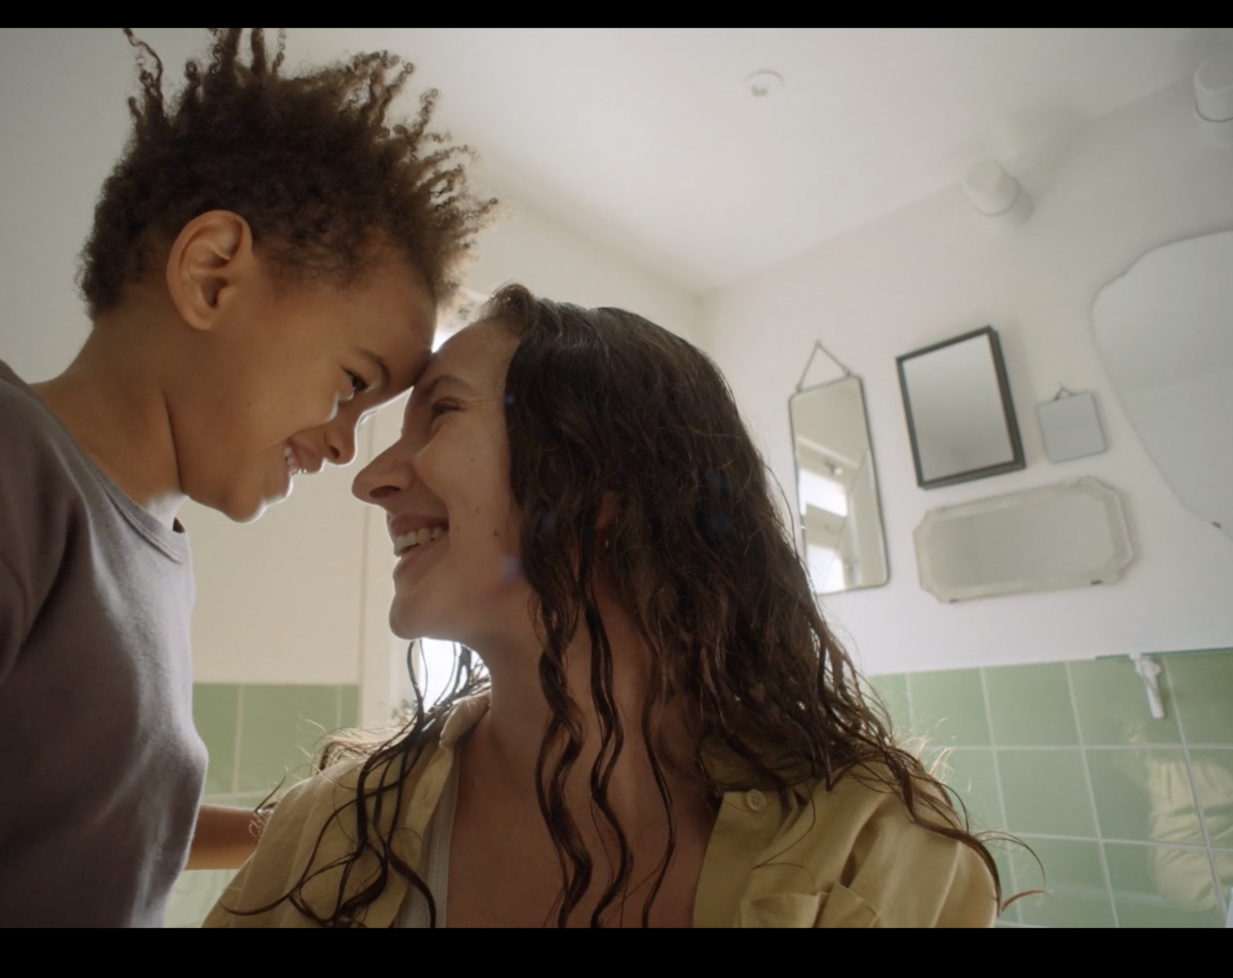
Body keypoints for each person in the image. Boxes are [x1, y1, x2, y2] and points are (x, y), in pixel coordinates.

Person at [0, 28, 494, 926]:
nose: (344, 446)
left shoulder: (153, 555)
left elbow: (78, 816)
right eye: (351, 386)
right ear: (211, 276)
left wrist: (321, 823)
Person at [205, 284, 1006, 928]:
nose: (370, 477)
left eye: (441, 411)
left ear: (603, 477)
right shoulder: (333, 833)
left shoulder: (870, 858)